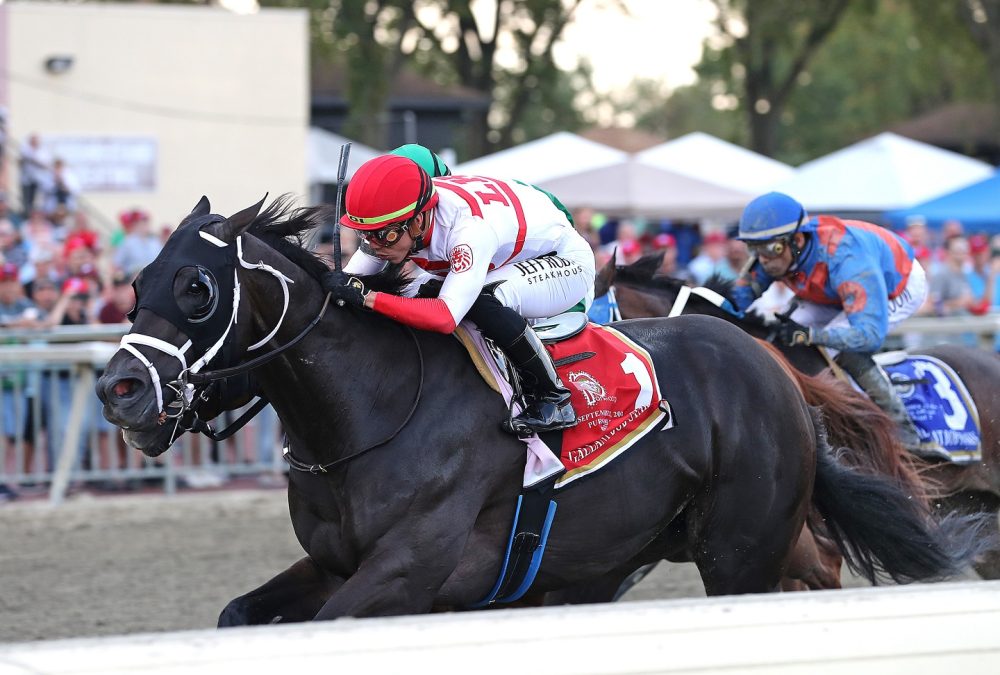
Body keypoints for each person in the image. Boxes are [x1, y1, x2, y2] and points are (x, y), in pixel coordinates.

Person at [322, 155, 596, 435]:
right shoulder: (396, 221)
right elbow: (350, 283)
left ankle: (553, 398)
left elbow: (445, 317)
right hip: (505, 251)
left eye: (384, 236)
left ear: (418, 221)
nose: (374, 245)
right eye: (365, 234)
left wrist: (369, 298)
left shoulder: (468, 231)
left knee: (482, 298)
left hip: (563, 258)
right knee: (414, 294)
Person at [731, 192, 926, 450]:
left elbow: (868, 335)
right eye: (754, 248)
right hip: (831, 288)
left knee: (840, 347)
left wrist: (811, 335)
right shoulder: (780, 251)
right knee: (780, 336)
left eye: (770, 248)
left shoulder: (847, 260)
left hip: (896, 286)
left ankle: (904, 431)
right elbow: (738, 298)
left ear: (797, 240)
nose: (763, 259)